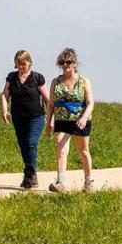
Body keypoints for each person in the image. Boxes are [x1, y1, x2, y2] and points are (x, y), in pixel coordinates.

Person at [47, 47, 95, 193]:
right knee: (61, 150)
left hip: (80, 120)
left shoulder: (83, 81)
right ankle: (60, 182)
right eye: (62, 62)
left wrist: (84, 117)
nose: (65, 65)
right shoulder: (56, 82)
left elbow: (90, 102)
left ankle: (88, 182)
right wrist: (49, 121)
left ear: (74, 63)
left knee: (83, 150)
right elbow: (50, 104)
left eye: (68, 62)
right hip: (62, 120)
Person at [1, 50, 49, 189]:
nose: (21, 66)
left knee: (31, 143)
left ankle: (29, 174)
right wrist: (5, 110)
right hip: (18, 118)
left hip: (36, 117)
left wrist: (51, 116)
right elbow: (4, 96)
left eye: (24, 63)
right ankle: (32, 174)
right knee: (23, 146)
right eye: (19, 64)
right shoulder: (11, 77)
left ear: (29, 62)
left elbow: (47, 99)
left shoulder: (37, 77)